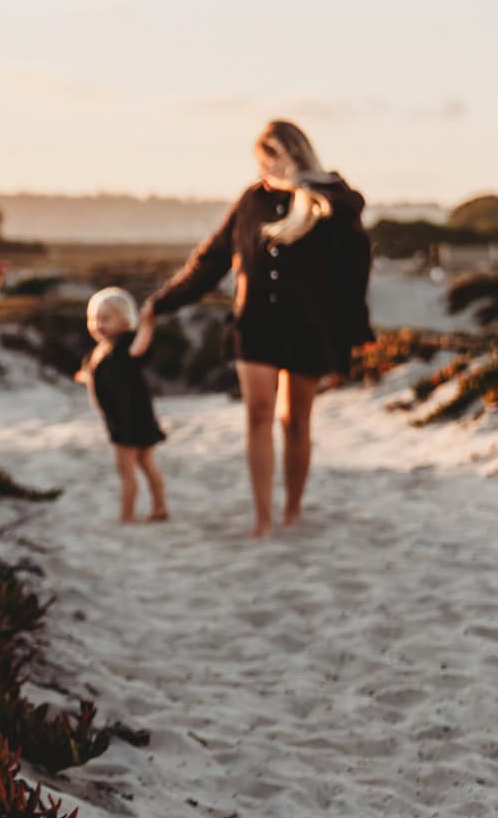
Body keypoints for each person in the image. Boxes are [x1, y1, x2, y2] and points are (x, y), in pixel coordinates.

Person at [143, 120, 373, 538]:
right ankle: (263, 517)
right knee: (258, 415)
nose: (266, 168)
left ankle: (292, 509)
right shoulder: (251, 202)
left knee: (296, 421)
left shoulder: (334, 203)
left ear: (298, 154)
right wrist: (162, 302)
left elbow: (353, 274)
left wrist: (349, 338)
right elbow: (209, 261)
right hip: (256, 324)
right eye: (261, 160)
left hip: (310, 327)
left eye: (275, 157)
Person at [74, 287, 168, 523]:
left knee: (127, 470)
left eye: (106, 318)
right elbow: (99, 373)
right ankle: (160, 507)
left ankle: (128, 515)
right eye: (93, 319)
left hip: (129, 419)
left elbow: (140, 348)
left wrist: (147, 323)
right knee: (145, 462)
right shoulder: (102, 349)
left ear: (126, 322)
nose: (98, 324)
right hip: (126, 417)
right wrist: (85, 376)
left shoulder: (125, 345)